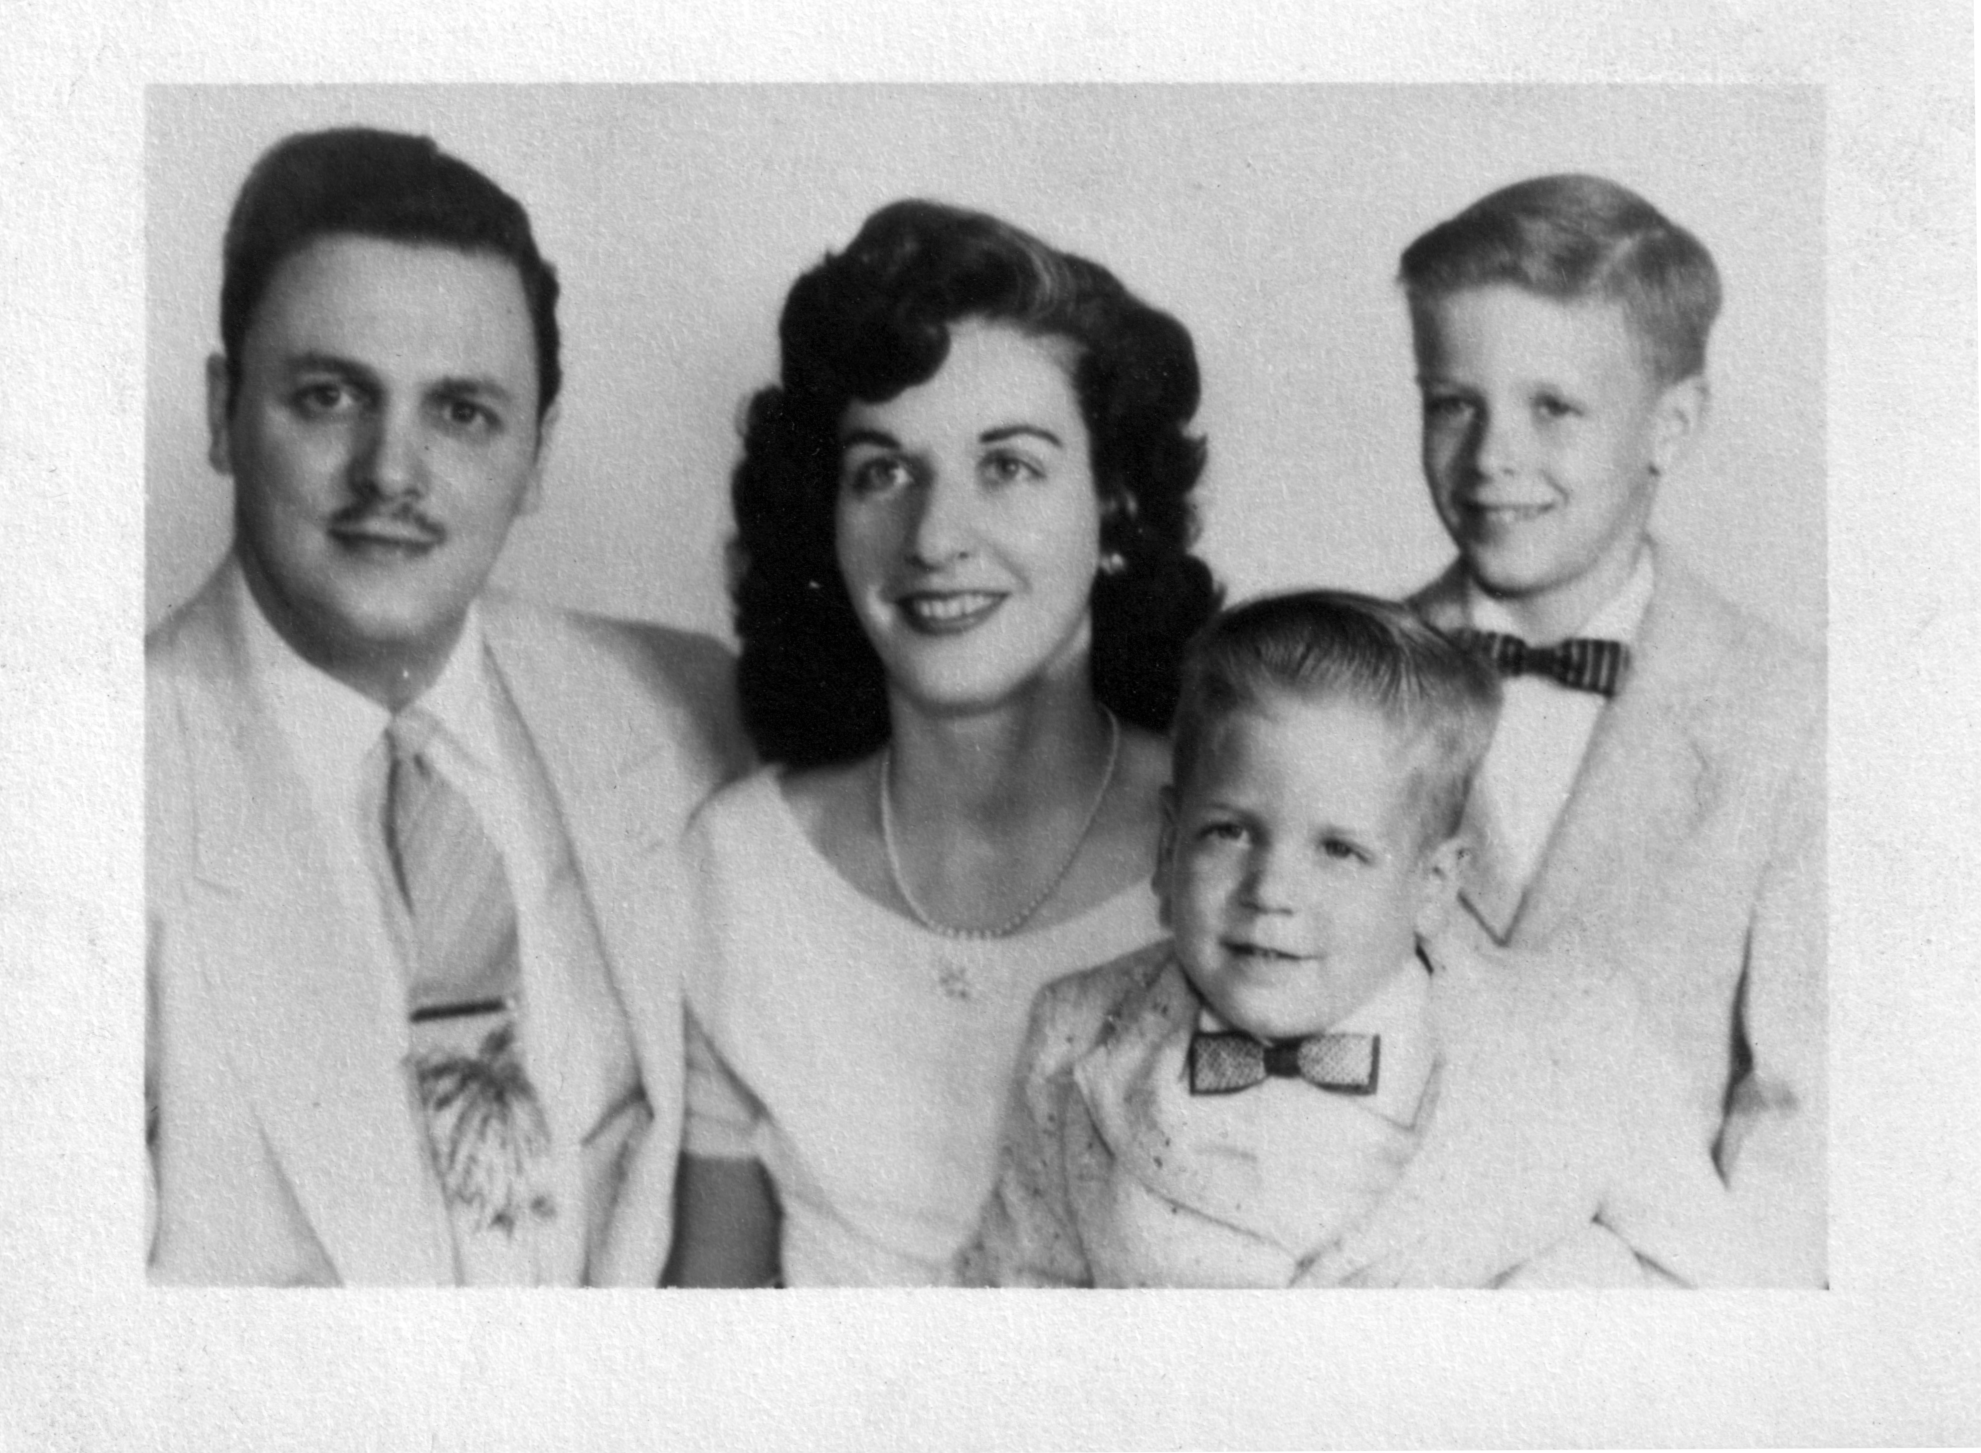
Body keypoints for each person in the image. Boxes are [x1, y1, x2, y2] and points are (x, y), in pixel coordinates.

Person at [145, 127, 748, 1285]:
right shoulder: (77, 792)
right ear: (224, 412)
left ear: (537, 455)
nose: (391, 472)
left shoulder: (688, 713)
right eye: (329, 397)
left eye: (462, 412)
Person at [652, 199, 1220, 1286]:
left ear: (1114, 505)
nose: (934, 536)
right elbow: (711, 1310)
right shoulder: (738, 863)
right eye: (882, 471)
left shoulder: (1232, 853)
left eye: (1007, 466)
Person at [1316, 174, 1824, 1286]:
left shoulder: (1788, 715)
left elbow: (1798, 1133)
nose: (1491, 455)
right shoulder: (1329, 690)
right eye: (1452, 402)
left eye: (1551, 407)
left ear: (1671, 424)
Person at [962, 591, 1756, 1287]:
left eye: (1338, 850)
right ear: (1169, 844)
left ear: (1432, 884)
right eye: (1229, 831)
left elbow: (1706, 1294)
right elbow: (1016, 1302)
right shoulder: (1075, 1035)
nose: (1270, 890)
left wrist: (1556, 1306)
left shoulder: (1574, 1045)